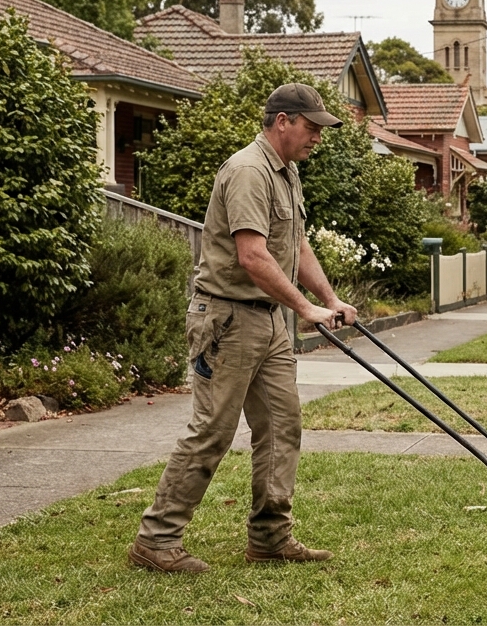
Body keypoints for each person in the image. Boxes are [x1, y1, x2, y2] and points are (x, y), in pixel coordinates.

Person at [129, 83, 359, 573]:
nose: (318, 136)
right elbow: (252, 256)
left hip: (268, 321)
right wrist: (304, 308)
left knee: (281, 424)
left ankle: (270, 537)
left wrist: (330, 300)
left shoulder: (287, 173)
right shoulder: (249, 171)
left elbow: (295, 246)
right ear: (282, 121)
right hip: (228, 319)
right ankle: (156, 539)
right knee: (212, 430)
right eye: (311, 126)